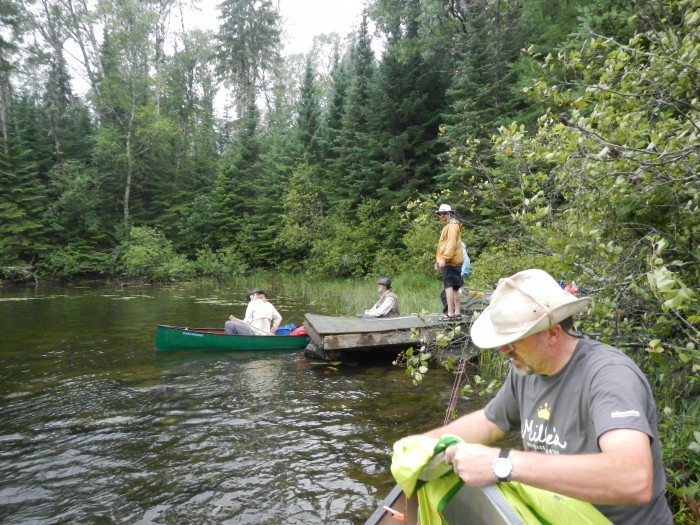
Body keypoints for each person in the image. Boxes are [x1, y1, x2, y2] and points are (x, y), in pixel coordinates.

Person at [416, 269, 673, 524]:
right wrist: (418, 446)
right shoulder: (526, 368)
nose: (503, 351)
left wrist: (501, 464)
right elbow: (489, 421)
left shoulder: (610, 376)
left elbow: (633, 479)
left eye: (514, 340)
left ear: (552, 333)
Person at [434, 204, 463, 320]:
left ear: (450, 213)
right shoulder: (453, 226)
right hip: (455, 261)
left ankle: (450, 313)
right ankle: (457, 313)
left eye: (445, 213)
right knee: (455, 287)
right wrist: (439, 260)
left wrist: (444, 259)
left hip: (450, 262)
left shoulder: (451, 226)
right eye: (441, 214)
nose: (442, 216)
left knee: (449, 286)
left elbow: (450, 245)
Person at [441, 242, 471, 314]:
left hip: (457, 272)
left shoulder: (457, 245)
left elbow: (466, 260)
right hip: (457, 271)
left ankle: (450, 313)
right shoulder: (457, 244)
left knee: (445, 293)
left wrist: (462, 273)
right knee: (449, 292)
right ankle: (455, 312)